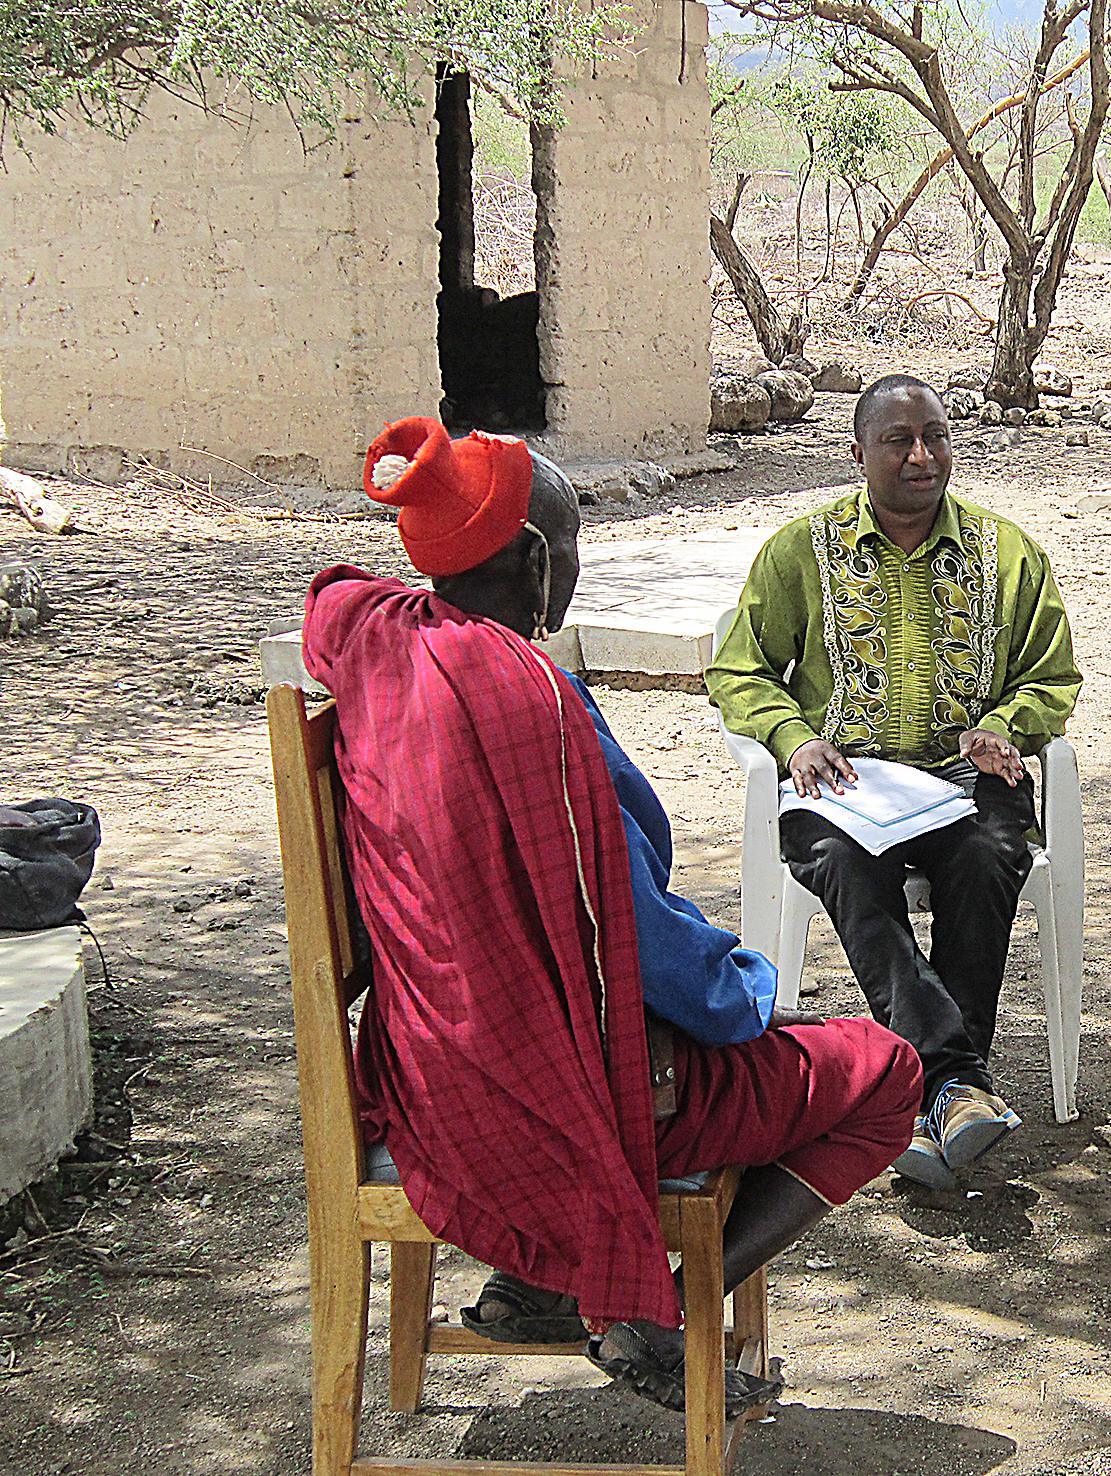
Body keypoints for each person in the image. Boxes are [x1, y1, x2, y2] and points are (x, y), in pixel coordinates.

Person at [301, 417, 921, 1413]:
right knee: (883, 1072)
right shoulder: (536, 708)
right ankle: (651, 1305)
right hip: (550, 1115)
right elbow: (631, 939)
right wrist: (750, 996)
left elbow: (327, 600)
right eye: (576, 544)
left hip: (419, 1084)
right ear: (539, 559)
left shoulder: (376, 647)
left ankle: (541, 1283)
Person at [706, 374, 1081, 1189]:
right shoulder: (799, 551)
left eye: (936, 437)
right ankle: (954, 1084)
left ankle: (924, 1093)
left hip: (963, 777)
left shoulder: (1006, 552)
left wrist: (1007, 725)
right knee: (841, 863)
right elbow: (740, 669)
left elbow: (1050, 675)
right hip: (844, 779)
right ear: (857, 454)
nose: (922, 456)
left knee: (988, 855)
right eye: (898, 441)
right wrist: (793, 737)